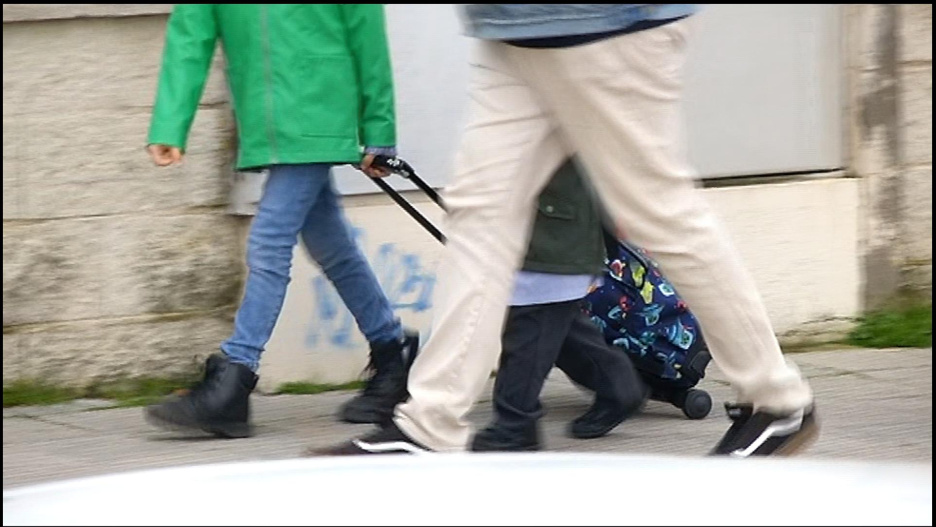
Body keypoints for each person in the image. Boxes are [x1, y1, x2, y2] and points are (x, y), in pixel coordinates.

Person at [316, 4, 818, 457]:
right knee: (478, 214)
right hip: (515, 29)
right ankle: (430, 422)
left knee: (657, 209)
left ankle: (776, 401)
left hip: (605, 27)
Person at [143, 4, 418, 438]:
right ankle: (392, 352)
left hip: (319, 112)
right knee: (332, 246)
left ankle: (235, 379)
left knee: (269, 242)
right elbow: (189, 33)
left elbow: (367, 31)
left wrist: (379, 129)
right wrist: (170, 124)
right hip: (269, 122)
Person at [472, 159, 647, 452]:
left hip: (555, 226)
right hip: (549, 221)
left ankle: (514, 423)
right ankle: (617, 383)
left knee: (532, 320)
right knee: (553, 321)